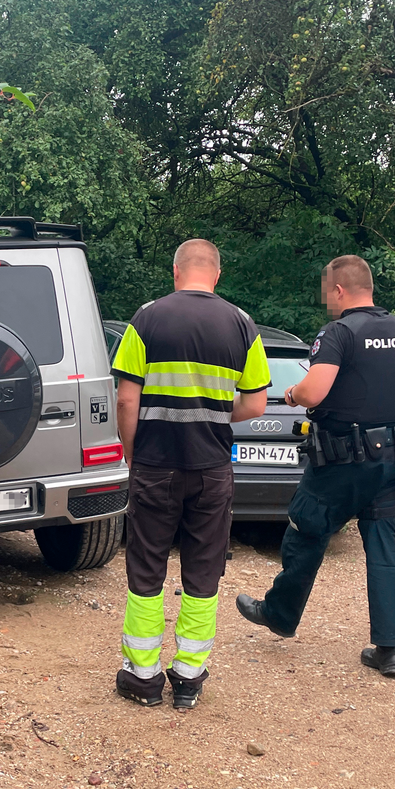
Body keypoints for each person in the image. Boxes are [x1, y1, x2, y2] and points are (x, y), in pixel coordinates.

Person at [235, 255, 395, 678]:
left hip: (342, 458)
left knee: (307, 527)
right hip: (393, 455)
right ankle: (390, 649)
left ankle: (279, 615)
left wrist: (295, 393)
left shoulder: (338, 332)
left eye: (327, 294)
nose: (327, 302)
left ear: (339, 289)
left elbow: (315, 392)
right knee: (383, 545)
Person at [112, 239, 271, 709]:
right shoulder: (242, 324)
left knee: (146, 567)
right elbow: (256, 402)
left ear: (176, 271)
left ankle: (142, 679)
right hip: (212, 468)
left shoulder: (147, 318)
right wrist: (215, 412)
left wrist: (132, 451)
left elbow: (126, 399)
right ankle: (188, 677)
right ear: (216, 275)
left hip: (156, 465)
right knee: (204, 570)